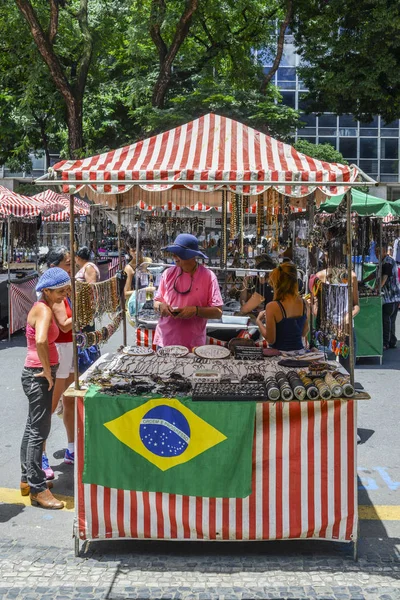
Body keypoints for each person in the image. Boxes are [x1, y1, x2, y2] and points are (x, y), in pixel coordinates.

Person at [20, 267, 71, 509]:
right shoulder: (43, 310)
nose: (65, 295)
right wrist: (48, 370)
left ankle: (27, 479)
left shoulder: (44, 307)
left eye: (67, 290)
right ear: (47, 291)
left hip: (35, 373)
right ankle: (38, 489)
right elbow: (41, 340)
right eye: (61, 291)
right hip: (38, 375)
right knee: (38, 431)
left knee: (32, 427)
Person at [153, 233, 223, 350]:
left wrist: (196, 311)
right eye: (173, 253)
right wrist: (161, 307)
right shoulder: (168, 274)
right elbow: (156, 302)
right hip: (165, 341)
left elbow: (218, 312)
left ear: (191, 256)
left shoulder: (208, 277)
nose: (174, 256)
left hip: (193, 345)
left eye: (178, 253)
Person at [43, 247, 75, 474]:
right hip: (60, 349)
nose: (71, 267)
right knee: (52, 405)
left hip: (70, 347)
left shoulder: (64, 291)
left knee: (71, 401)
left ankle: (71, 447)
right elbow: (64, 324)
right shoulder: (54, 294)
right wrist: (82, 313)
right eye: (67, 263)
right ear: (55, 267)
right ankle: (41, 454)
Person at [314, 257, 360, 371]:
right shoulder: (320, 277)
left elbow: (356, 305)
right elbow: (316, 307)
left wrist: (346, 319)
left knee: (348, 370)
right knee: (324, 370)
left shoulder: (352, 277)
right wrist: (330, 325)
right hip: (327, 329)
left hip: (346, 329)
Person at [256, 262, 309, 351]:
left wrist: (258, 322)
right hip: (299, 354)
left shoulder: (272, 307)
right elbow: (304, 332)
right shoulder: (304, 303)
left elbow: (271, 340)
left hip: (280, 356)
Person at [364, 241, 400, 350]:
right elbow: (375, 274)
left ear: (385, 251)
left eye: (379, 251)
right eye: (375, 251)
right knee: (390, 320)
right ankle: (392, 341)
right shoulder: (383, 262)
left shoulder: (388, 262)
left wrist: (376, 288)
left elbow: (384, 278)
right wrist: (363, 281)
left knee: (386, 320)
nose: (377, 253)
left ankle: (386, 343)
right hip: (394, 297)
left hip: (391, 297)